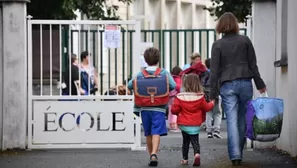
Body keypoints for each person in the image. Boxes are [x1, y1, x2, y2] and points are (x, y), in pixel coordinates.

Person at [209, 12, 266, 166]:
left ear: (220, 26)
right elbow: (253, 65)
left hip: (227, 85)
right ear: (235, 25)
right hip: (246, 83)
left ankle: (235, 156)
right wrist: (260, 84)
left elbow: (214, 72)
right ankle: (238, 153)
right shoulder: (245, 41)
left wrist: (212, 94)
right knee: (242, 119)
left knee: (232, 121)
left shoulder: (217, 45)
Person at [128, 47, 176, 167]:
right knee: (156, 132)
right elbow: (173, 85)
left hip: (144, 107)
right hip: (159, 107)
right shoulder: (164, 72)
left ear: (145, 60)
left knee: (148, 132)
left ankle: (151, 155)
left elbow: (130, 85)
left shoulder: (140, 74)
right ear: (158, 59)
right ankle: (154, 154)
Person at [171, 73, 214, 167]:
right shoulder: (200, 97)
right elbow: (206, 108)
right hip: (195, 123)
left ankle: (185, 159)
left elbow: (174, 110)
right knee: (195, 141)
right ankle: (197, 154)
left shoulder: (180, 97)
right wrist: (212, 103)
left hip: (184, 123)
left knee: (185, 142)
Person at [202, 58, 223, 139]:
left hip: (207, 94)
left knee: (208, 112)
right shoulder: (217, 73)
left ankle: (209, 131)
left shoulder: (205, 73)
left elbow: (202, 83)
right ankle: (216, 130)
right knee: (217, 113)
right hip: (216, 94)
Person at [168, 66, 182, 132]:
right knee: (175, 111)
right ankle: (174, 125)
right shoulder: (178, 79)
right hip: (175, 96)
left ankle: (170, 124)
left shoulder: (170, 78)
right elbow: (178, 87)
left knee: (170, 110)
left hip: (169, 96)